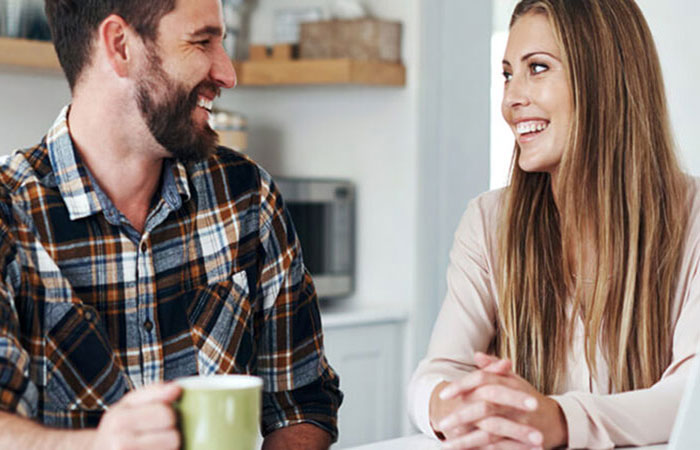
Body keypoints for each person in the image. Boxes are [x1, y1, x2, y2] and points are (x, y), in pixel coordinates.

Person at [0, 0, 342, 448]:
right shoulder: (10, 214)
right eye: (202, 42)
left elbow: (302, 402)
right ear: (120, 46)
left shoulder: (247, 196)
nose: (227, 73)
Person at [408, 0, 700, 448]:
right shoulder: (489, 223)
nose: (511, 99)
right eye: (507, 74)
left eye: (537, 68)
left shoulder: (693, 217)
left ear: (605, 78)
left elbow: (690, 393)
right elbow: (439, 370)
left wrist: (560, 419)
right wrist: (453, 404)